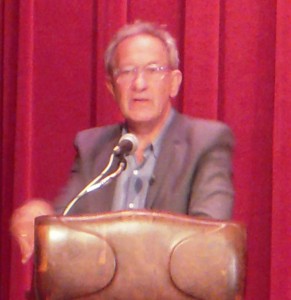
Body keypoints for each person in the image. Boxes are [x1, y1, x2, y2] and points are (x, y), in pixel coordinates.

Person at [10, 21, 235, 264]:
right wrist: (41, 216)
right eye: (127, 71)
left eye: (153, 69)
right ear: (111, 87)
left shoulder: (206, 142)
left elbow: (209, 236)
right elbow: (66, 220)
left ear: (174, 82)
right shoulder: (93, 146)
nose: (139, 84)